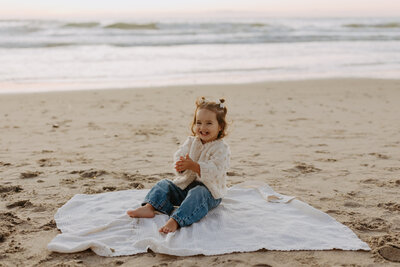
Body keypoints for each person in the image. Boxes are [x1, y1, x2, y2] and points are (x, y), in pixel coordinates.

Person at [127, 97, 230, 234]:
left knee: (197, 193)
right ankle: (150, 207)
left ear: (220, 127)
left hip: (209, 192)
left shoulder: (221, 148)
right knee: (164, 184)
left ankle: (177, 219)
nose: (202, 127)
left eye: (209, 123)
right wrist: (180, 165)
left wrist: (195, 166)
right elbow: (179, 155)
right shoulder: (191, 142)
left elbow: (216, 170)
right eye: (198, 123)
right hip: (186, 186)